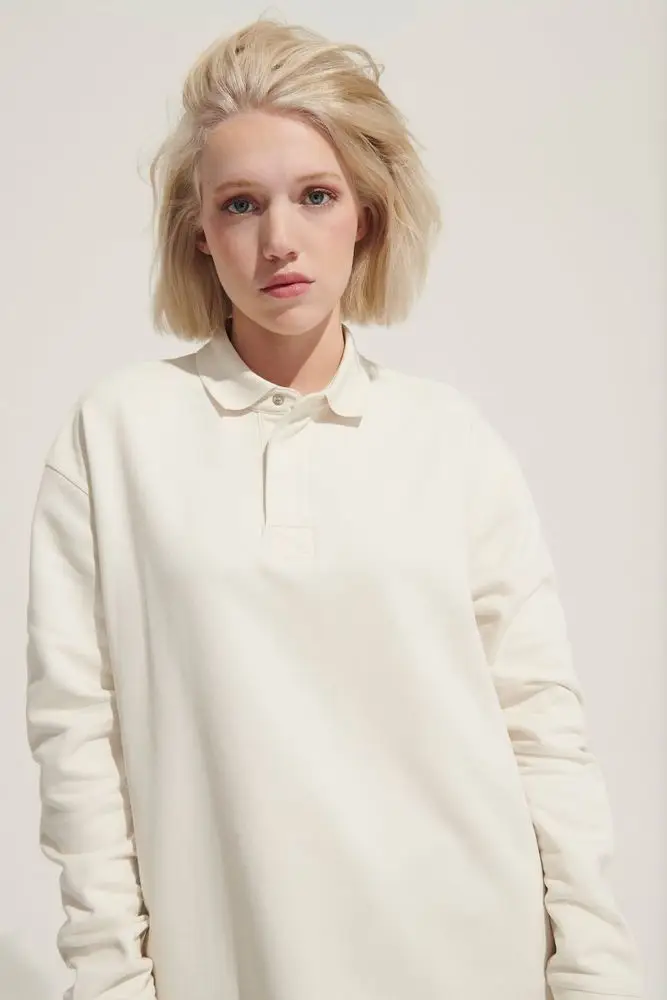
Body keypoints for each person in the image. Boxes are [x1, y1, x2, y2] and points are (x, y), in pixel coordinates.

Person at [25, 16, 644, 1000]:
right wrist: (111, 979)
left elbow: (541, 729)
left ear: (366, 214)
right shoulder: (114, 440)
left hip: (475, 958)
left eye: (315, 195)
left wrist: (596, 971)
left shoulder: (451, 441)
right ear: (199, 231)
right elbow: (77, 750)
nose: (279, 239)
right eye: (240, 204)